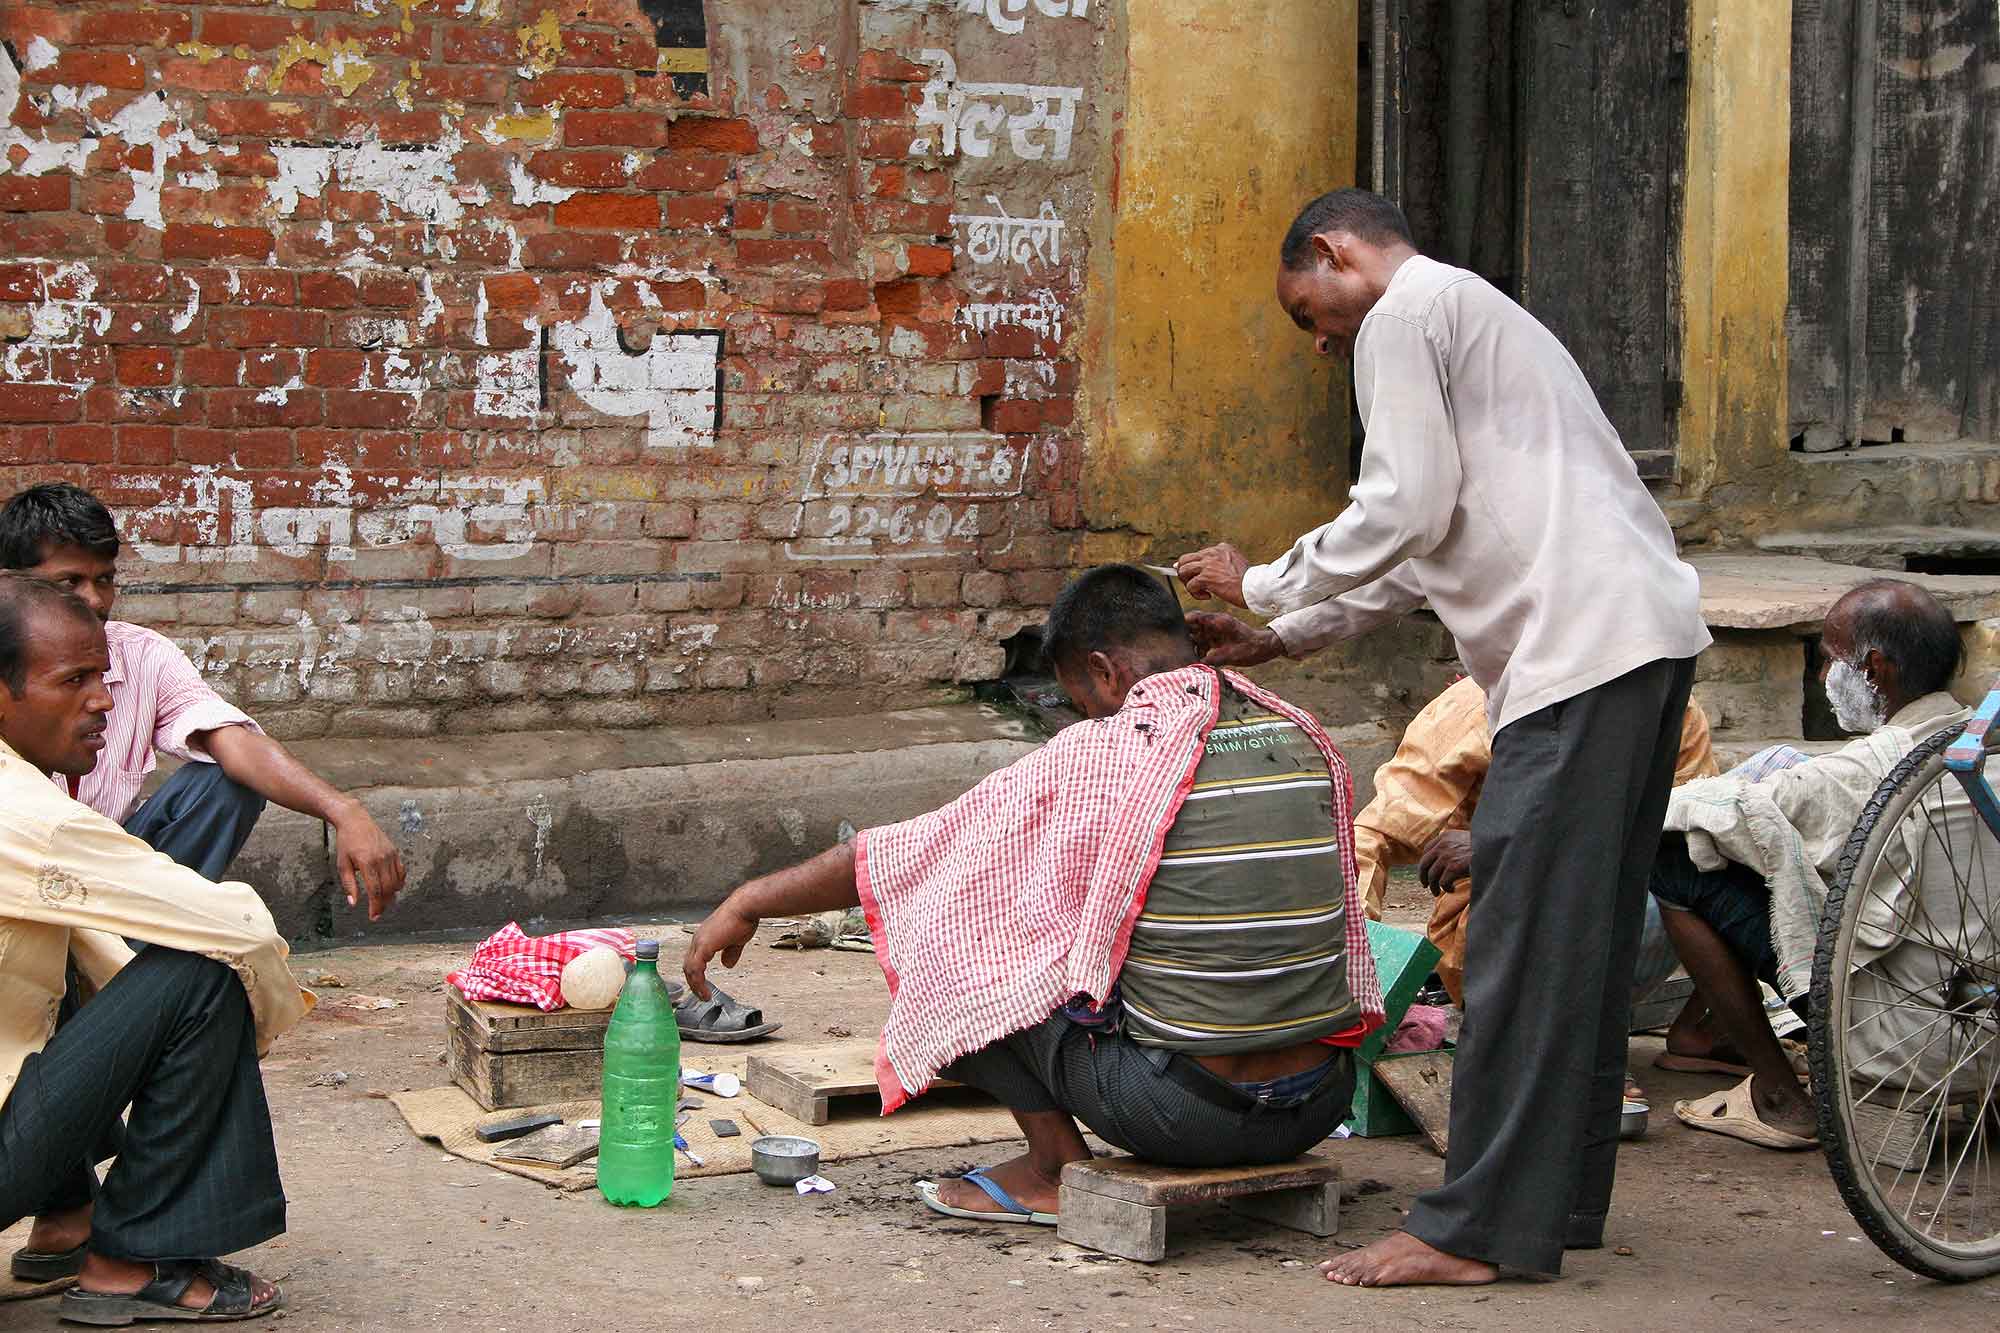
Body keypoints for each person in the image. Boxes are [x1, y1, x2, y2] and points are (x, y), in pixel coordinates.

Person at [1177, 188, 1712, 1285]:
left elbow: (1403, 509)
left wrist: (1263, 577)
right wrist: (1285, 635)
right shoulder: (1471, 317)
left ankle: (1472, 1228)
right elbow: (1426, 546)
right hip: (1636, 643)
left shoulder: (1407, 315)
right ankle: (1547, 1207)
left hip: (1578, 659)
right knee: (1577, 948)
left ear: (1332, 254)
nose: (1322, 341)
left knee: (1516, 947)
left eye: (1307, 312)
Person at [683, 565, 1384, 1223]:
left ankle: (1051, 1166)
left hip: (1181, 1113)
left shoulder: (1106, 749)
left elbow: (902, 856)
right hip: (1319, 1102)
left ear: (1106, 673)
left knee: (958, 934)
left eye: (1081, 702)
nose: (1083, 719)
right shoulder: (1300, 731)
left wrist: (748, 900)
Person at [0, 574, 308, 1322]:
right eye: (73, 680)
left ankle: (78, 1219)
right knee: (207, 969)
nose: (103, 699)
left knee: (101, 967)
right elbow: (242, 935)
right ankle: (135, 1257)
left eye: (102, 678)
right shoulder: (27, 815)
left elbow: (102, 951)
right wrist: (253, 1024)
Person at [1656, 580, 1986, 1149]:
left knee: (1670, 853)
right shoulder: (1981, 743)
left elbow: (1696, 813)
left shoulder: (1867, 770)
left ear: (1874, 669)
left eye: (1830, 660)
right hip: (1980, 1013)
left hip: (1904, 1033)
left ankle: (1780, 1096)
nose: (1821, 676)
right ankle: (1703, 1034)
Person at [0, 483, 404, 918]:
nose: (95, 601)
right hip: (18, 890)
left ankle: (141, 950)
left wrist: (343, 809)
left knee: (228, 781)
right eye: (70, 582)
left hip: (108, 886)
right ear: (14, 585)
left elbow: (229, 737)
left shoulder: (140, 654)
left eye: (104, 580)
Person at [1354, 675, 1720, 1009]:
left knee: (1729, 842)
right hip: (1498, 931)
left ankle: (1693, 1034)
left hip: (1616, 901)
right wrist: (1356, 972)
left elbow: (1691, 826)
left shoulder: (1671, 703)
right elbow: (1374, 836)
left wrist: (1511, 846)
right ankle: (1552, 1042)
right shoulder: (1476, 704)